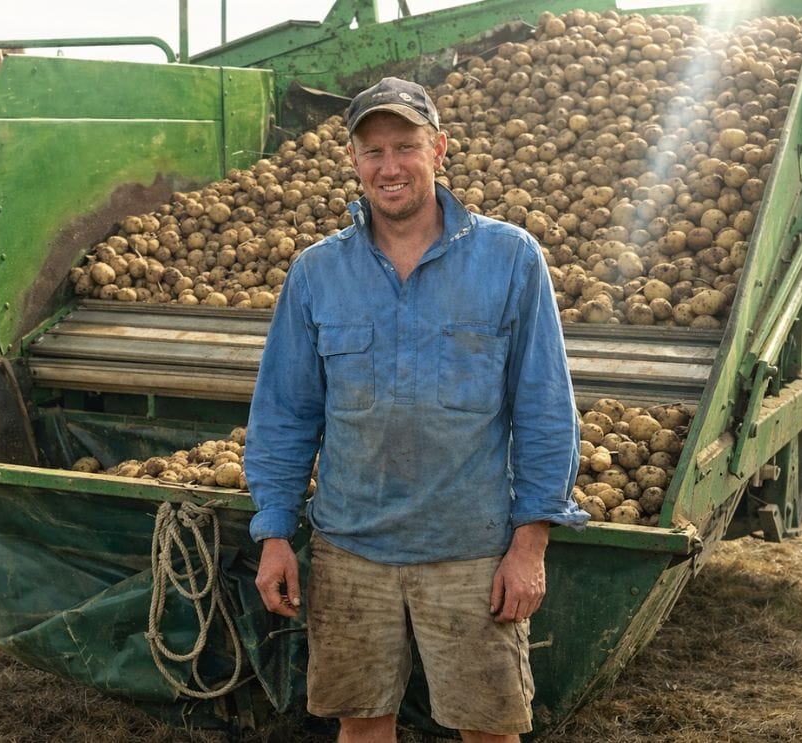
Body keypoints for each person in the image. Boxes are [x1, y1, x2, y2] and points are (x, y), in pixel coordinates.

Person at [244, 77, 588, 743]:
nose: (390, 165)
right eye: (373, 151)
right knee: (363, 726)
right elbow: (285, 411)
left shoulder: (509, 258)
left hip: (469, 553)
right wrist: (275, 531)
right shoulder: (317, 273)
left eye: (405, 146)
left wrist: (530, 542)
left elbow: (545, 407)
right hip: (351, 550)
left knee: (489, 729)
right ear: (353, 160)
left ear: (440, 148)